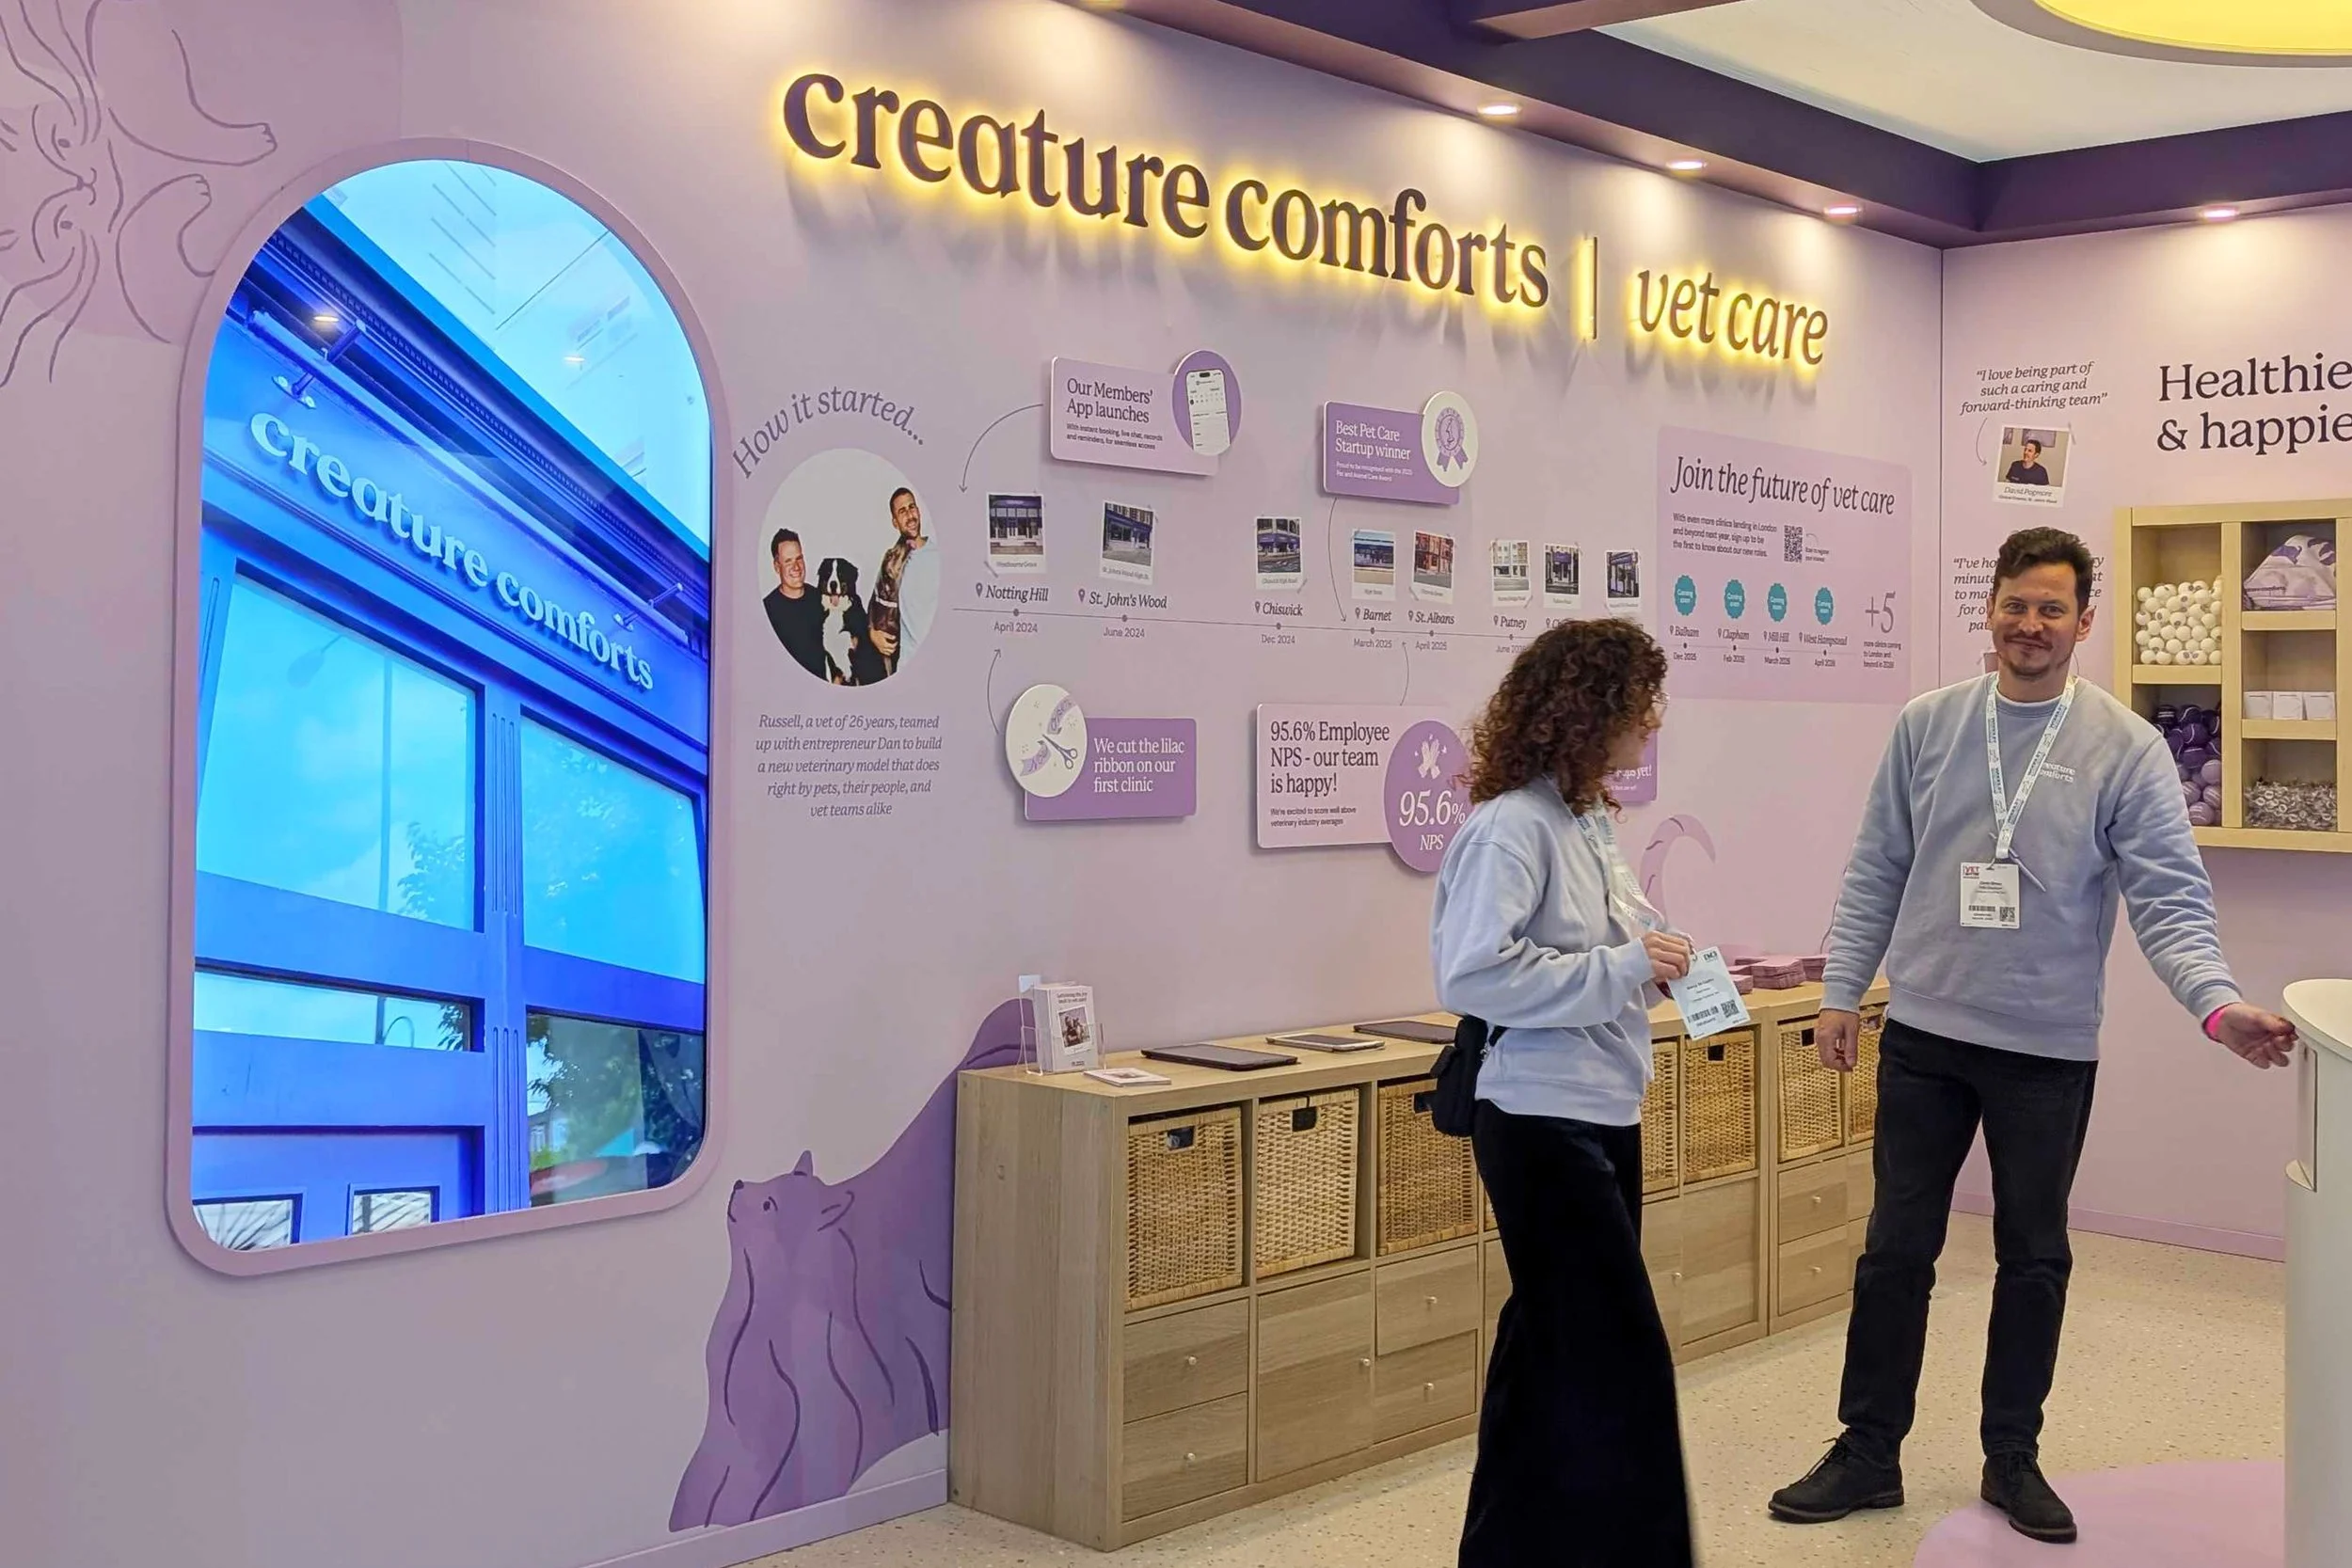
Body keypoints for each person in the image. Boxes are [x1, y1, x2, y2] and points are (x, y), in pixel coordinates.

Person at [1770, 527, 2296, 1544]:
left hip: (2046, 1052)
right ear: (1991, 607)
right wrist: (1841, 991)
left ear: (2082, 621)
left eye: (2052, 608)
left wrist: (2216, 1004)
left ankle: (2010, 1456)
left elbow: (2169, 899)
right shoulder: (1927, 726)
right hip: (1923, 1032)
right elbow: (1875, 864)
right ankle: (1866, 1450)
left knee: (2033, 1257)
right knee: (1893, 1251)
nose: (2030, 624)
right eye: (2015, 603)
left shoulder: (2123, 747)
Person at [1433, 618, 1696, 1568]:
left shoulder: (1585, 819)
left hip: (1601, 1106)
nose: (1651, 723)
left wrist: (1657, 956)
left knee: (1545, 1345)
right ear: (1591, 714)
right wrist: (1621, 968)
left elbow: (1609, 942)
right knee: (1621, 1353)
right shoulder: (1509, 827)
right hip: (1538, 1119)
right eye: (1638, 706)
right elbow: (1474, 974)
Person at [868, 486, 937, 672]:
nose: (910, 515)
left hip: (940, 660)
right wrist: (872, 634)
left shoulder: (940, 553)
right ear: (895, 522)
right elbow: (874, 604)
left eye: (912, 507)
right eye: (902, 511)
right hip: (908, 664)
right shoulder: (892, 561)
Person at [763, 529, 827, 681]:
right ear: (777, 567)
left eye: (799, 559)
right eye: (788, 561)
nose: (796, 567)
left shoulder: (821, 599)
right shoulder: (767, 609)